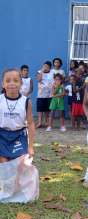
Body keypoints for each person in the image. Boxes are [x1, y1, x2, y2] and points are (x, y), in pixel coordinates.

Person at [0, 69, 38, 203]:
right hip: (2, 135)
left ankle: (17, 189)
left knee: (19, 165)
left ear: (21, 84)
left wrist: (31, 146)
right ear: (3, 84)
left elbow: (31, 123)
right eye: (8, 80)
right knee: (3, 163)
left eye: (16, 81)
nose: (12, 84)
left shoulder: (26, 102)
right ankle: (6, 189)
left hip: (19, 135)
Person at [36, 61, 54, 128]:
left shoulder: (52, 73)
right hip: (41, 94)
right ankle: (40, 122)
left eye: (47, 66)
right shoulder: (39, 72)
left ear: (50, 67)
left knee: (47, 109)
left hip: (49, 94)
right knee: (40, 109)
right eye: (44, 66)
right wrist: (42, 72)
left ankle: (46, 122)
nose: (45, 67)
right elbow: (39, 79)